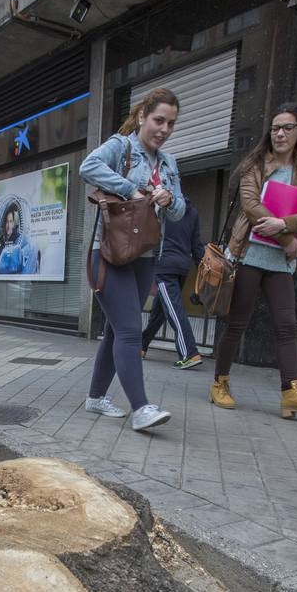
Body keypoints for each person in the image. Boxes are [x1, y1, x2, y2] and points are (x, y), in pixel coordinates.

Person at [209, 102, 297, 419]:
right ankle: (219, 382)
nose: (280, 133)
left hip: (280, 263)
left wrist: (284, 225)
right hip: (249, 254)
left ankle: (291, 392)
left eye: (287, 127)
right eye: (275, 127)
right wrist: (286, 236)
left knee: (287, 326)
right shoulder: (256, 165)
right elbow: (250, 205)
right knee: (237, 324)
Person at [78, 88, 185, 432]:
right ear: (142, 117)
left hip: (146, 256)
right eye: (158, 120)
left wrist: (168, 200)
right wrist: (130, 189)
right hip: (108, 254)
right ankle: (141, 408)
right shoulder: (122, 146)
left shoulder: (169, 163)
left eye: (170, 123)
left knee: (115, 330)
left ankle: (95, 397)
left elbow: (181, 211)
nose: (164, 129)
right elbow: (88, 166)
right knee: (128, 330)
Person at [140, 195, 204, 370]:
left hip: (164, 266)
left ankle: (189, 352)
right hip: (183, 267)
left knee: (174, 310)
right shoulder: (192, 212)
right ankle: (141, 345)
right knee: (159, 310)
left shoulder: (162, 210)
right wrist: (202, 270)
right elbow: (197, 245)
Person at [0, 197, 39, 275]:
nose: (8, 225)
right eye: (6, 221)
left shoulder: (20, 241)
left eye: (10, 221)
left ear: (13, 223)